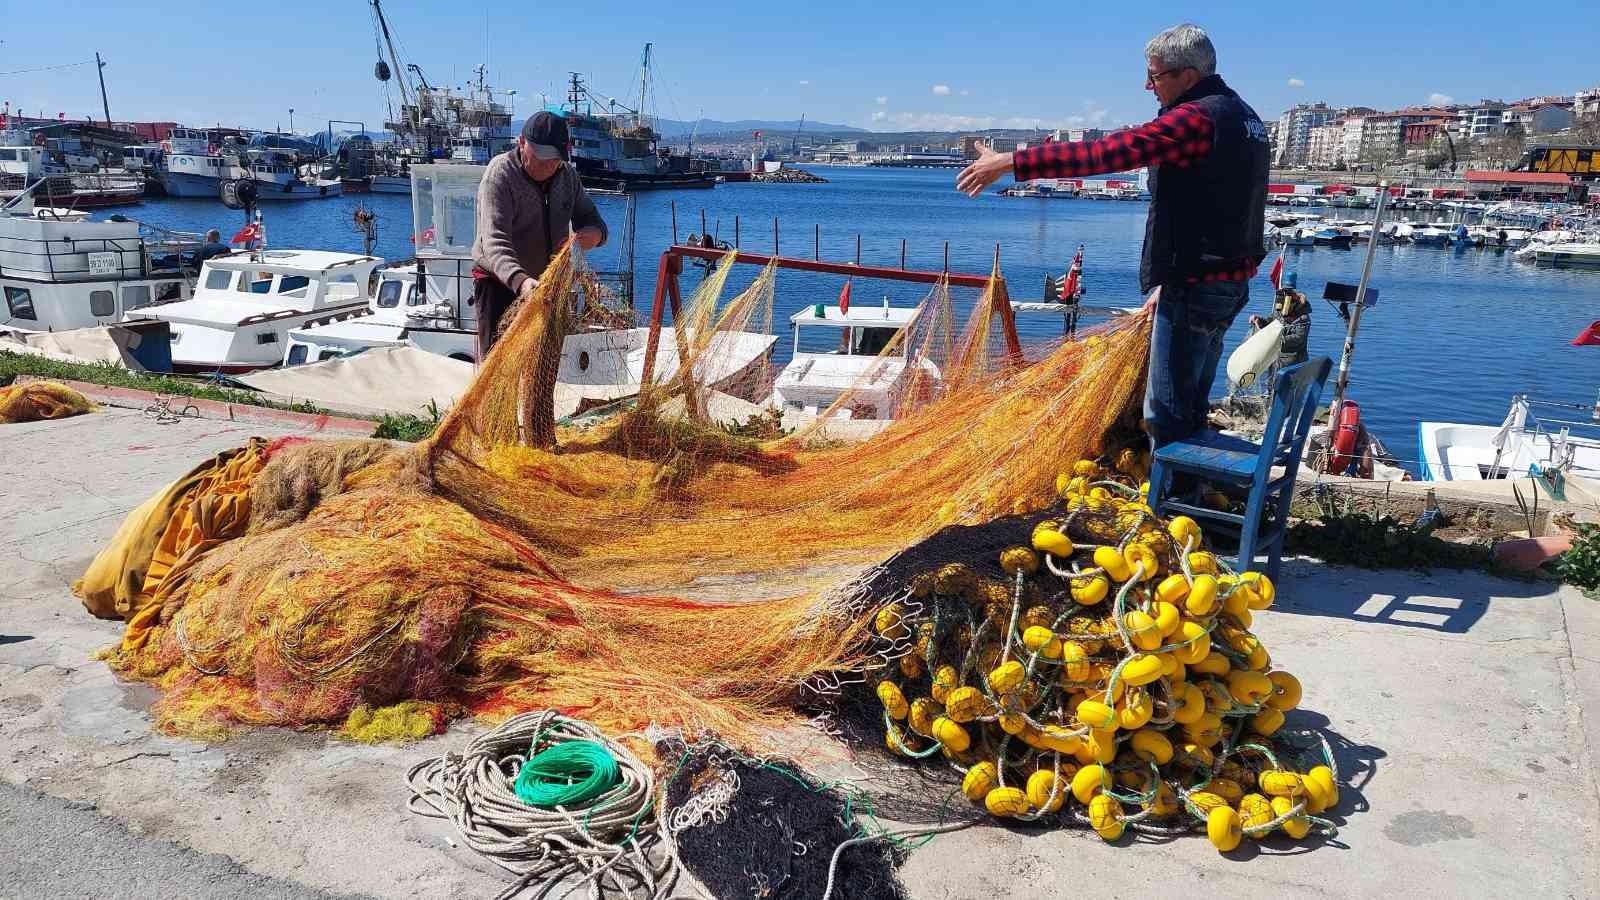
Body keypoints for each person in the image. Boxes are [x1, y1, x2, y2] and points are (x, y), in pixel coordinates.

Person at [957, 23, 1270, 450]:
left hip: (1199, 286)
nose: (1148, 85)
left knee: (1166, 415)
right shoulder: (1244, 116)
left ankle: (1169, 510)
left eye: (1155, 76)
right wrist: (1174, 280)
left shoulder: (1197, 117)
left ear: (1188, 76)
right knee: (1192, 404)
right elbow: (1228, 205)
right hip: (1225, 282)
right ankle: (1190, 498)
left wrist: (1012, 161)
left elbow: (1111, 152)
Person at [471, 111, 607, 362]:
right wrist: (521, 282)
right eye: (543, 158)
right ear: (521, 142)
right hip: (499, 284)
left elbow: (592, 219)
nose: (549, 166)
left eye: (555, 160)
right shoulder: (500, 174)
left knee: (545, 368)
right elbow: (495, 242)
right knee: (498, 368)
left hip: (546, 287)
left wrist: (592, 236)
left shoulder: (567, 175)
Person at [1249, 272, 1311, 376]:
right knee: (1272, 384)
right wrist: (1259, 320)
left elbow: (1298, 338)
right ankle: (1270, 391)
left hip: (1294, 361)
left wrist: (1277, 340)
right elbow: (1271, 323)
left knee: (1288, 387)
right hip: (1276, 357)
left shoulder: (1303, 318)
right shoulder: (1280, 312)